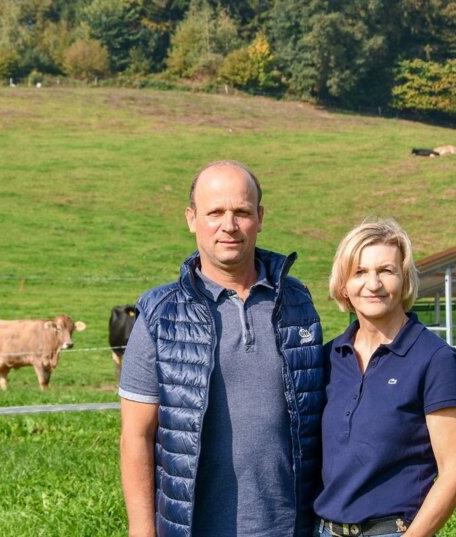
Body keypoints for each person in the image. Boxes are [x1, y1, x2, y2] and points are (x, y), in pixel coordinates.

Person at [119, 160, 324, 537]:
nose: (229, 225)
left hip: (289, 527)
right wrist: (142, 529)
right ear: (192, 218)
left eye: (242, 212)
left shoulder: (297, 302)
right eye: (215, 212)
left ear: (260, 218)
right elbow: (136, 436)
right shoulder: (160, 314)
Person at [314, 218, 456, 537]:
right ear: (343, 285)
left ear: (405, 279)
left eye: (386, 270)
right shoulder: (329, 357)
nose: (373, 284)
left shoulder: (433, 358)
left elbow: (455, 470)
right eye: (359, 272)